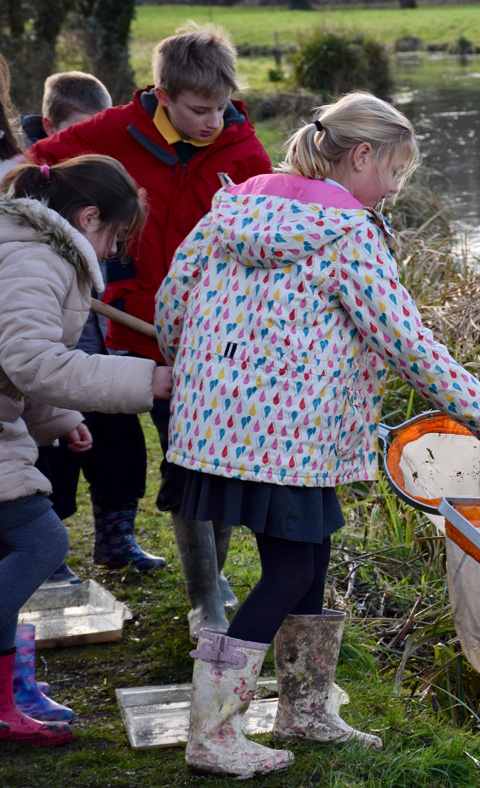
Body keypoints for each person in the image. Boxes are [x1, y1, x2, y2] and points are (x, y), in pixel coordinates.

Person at [157, 92, 480, 778]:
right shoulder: (349, 234)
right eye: (393, 174)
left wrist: (190, 372)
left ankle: (305, 710)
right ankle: (211, 732)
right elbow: (404, 340)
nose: (392, 191)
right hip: (289, 435)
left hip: (223, 425)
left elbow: (171, 301)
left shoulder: (232, 209)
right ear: (360, 157)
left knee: (312, 556)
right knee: (290, 568)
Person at [27, 22, 273, 640]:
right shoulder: (111, 132)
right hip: (126, 327)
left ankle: (210, 579)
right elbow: (33, 171)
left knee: (209, 466)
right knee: (154, 456)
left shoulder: (245, 153)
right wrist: (62, 250)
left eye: (221, 106)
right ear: (163, 95)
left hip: (211, 339)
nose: (213, 120)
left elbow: (270, 238)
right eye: (198, 109)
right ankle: (204, 605)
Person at [0, 156, 173, 746]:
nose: (108, 251)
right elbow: (31, 360)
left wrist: (59, 418)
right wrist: (142, 382)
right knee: (40, 540)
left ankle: (12, 689)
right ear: (88, 216)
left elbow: (14, 365)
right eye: (113, 237)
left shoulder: (28, 248)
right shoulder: (36, 259)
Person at [23, 71, 162, 584]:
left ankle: (116, 537)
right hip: (59, 355)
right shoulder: (31, 230)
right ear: (51, 128)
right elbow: (34, 361)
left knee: (115, 437)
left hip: (102, 342)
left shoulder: (100, 208)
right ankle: (46, 552)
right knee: (50, 451)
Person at [21, 71, 113, 146]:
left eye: (100, 134)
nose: (91, 144)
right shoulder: (18, 164)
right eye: (79, 135)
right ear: (49, 127)